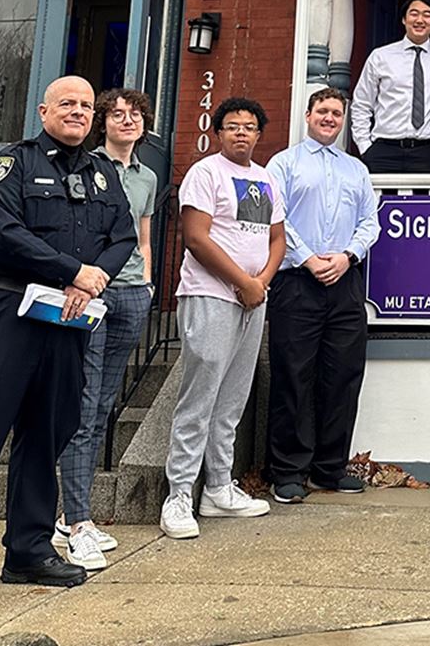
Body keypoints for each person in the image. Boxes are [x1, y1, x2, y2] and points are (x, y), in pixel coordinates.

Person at [0, 76, 137, 622]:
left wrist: (89, 281)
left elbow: (124, 239)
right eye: (68, 104)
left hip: (67, 320)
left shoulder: (104, 174)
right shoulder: (11, 165)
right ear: (44, 111)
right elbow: (4, 234)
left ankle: (29, 551)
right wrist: (71, 270)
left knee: (48, 436)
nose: (79, 113)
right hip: (8, 316)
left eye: (87, 106)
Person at [160, 97, 285, 540]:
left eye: (249, 127)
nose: (241, 133)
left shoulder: (265, 179)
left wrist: (261, 283)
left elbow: (277, 238)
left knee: (232, 399)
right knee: (199, 398)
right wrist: (241, 282)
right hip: (211, 294)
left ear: (258, 134)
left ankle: (217, 488)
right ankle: (178, 494)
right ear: (219, 132)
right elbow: (195, 238)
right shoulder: (205, 173)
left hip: (254, 299)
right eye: (232, 126)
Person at [55, 87, 159, 570]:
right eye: (117, 115)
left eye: (135, 116)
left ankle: (72, 513)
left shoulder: (148, 176)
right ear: (103, 122)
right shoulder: (85, 167)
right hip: (91, 290)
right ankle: (77, 521)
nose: (126, 122)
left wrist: (151, 281)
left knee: (102, 405)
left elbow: (141, 233)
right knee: (82, 400)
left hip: (133, 293)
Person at [266, 87, 381, 504]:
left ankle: (329, 469)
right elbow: (274, 218)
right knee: (293, 377)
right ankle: (289, 472)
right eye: (323, 112)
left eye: (337, 113)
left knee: (343, 376)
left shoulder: (356, 169)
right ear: (308, 115)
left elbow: (371, 221)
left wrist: (349, 255)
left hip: (345, 281)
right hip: (297, 281)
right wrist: (309, 258)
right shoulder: (283, 164)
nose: (330, 118)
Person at [350, 0, 430, 173]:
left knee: (424, 202)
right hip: (384, 151)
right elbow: (361, 104)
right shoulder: (380, 56)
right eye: (414, 14)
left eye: (427, 15)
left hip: (429, 152)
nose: (420, 20)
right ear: (404, 20)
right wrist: (365, 147)